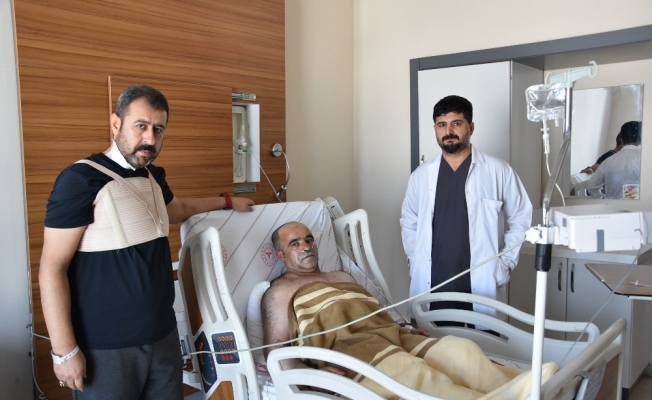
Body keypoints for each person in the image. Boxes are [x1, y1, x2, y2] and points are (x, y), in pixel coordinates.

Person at [39, 84, 255, 399]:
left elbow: (178, 209)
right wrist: (64, 351)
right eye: (141, 126)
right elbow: (52, 267)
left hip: (162, 335)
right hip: (107, 346)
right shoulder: (81, 180)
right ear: (116, 123)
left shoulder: (153, 176)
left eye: (158, 129)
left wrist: (226, 201)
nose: (150, 139)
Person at [262, 222, 556, 399]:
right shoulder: (280, 291)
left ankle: (532, 387)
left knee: (460, 350)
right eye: (295, 243)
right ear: (280, 254)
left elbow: (374, 313)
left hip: (395, 337)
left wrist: (404, 329)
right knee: (414, 374)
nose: (306, 246)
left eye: (309, 239)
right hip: (355, 353)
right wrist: (315, 377)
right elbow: (276, 352)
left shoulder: (342, 276)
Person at [400, 95, 532, 322]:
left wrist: (504, 264)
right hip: (433, 279)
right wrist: (414, 261)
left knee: (481, 341)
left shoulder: (498, 171)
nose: (448, 131)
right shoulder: (421, 176)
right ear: (435, 129)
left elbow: (522, 218)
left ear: (471, 127)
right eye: (442, 125)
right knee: (429, 340)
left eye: (456, 123)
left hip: (482, 281)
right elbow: (408, 222)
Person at [587, 121, 642, 199]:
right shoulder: (646, 159)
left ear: (621, 138)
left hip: (613, 205)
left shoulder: (608, 161)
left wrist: (605, 200)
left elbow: (592, 187)